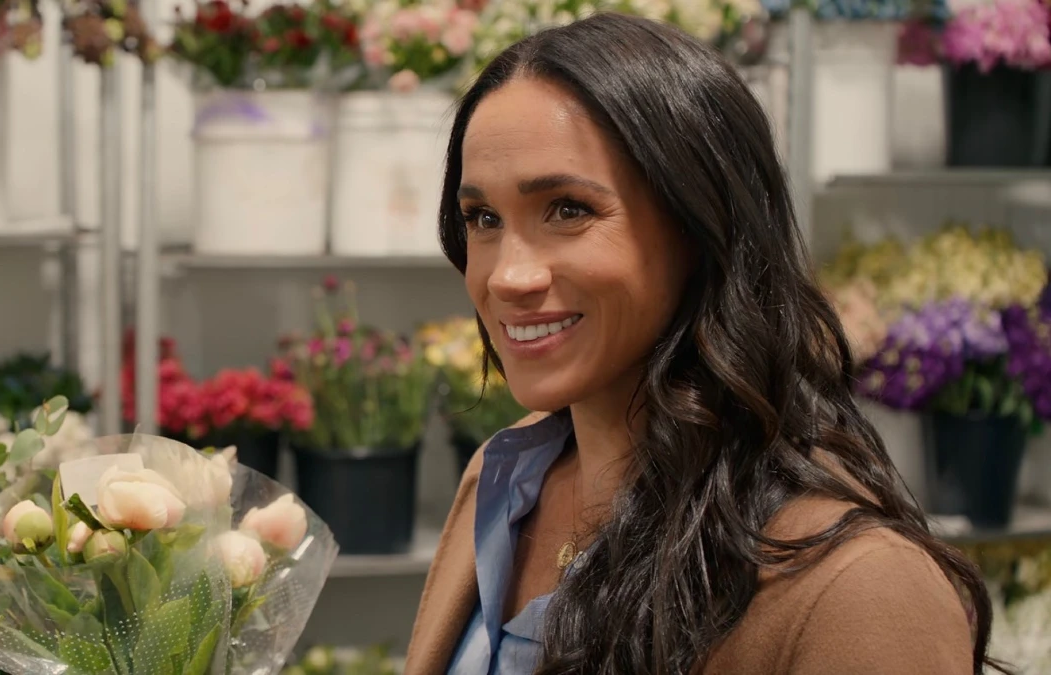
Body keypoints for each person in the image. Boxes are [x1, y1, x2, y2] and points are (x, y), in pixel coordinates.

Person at [406, 12, 1003, 675]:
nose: (508, 275)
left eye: (569, 209)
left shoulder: (860, 589)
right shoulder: (502, 481)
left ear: (702, 225)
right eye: (482, 218)